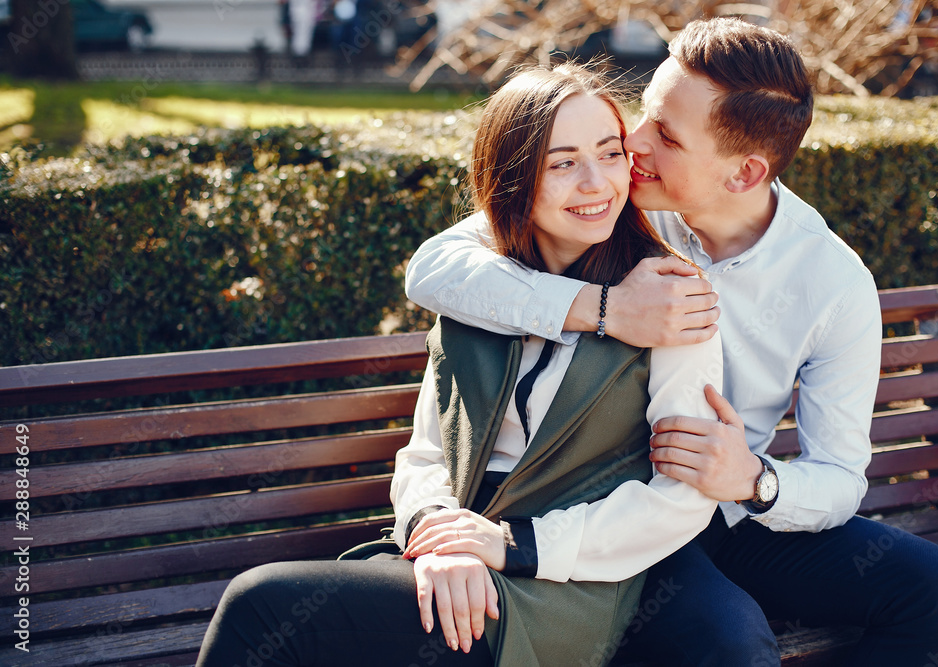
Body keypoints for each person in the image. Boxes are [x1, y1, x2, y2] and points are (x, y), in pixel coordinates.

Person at [404, 17, 938, 667]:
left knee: (936, 589)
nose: (633, 141)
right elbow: (437, 269)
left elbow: (841, 479)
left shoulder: (834, 283)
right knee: (730, 642)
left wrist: (756, 479)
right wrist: (604, 309)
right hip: (614, 501)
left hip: (732, 515)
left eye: (667, 136)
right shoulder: (609, 202)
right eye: (644, 113)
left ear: (743, 173)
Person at [196, 62, 722, 667]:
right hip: (450, 551)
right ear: (514, 179)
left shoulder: (672, 302)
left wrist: (510, 545)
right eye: (563, 163)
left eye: (610, 154)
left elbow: (680, 500)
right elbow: (427, 450)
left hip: (557, 588)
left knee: (262, 605)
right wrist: (441, 531)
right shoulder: (482, 293)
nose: (597, 183)